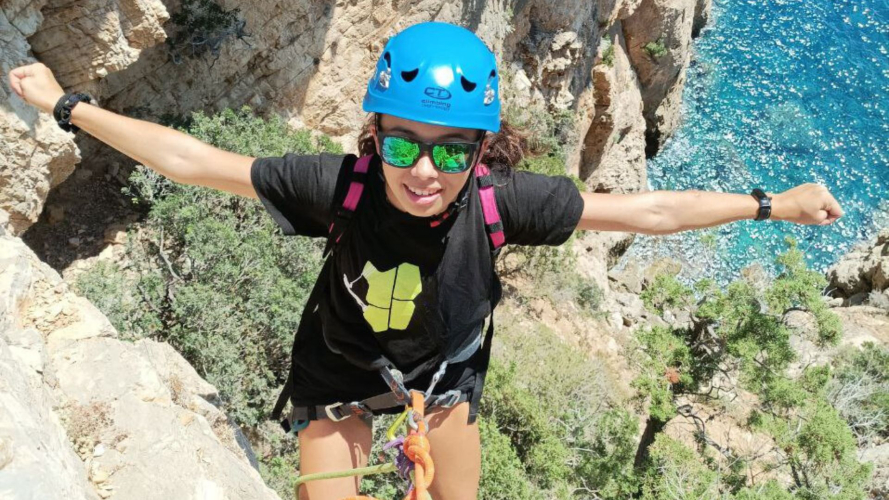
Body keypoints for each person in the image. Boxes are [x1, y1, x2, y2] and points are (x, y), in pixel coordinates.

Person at [8, 21, 843, 500]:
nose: (422, 172)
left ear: (481, 151)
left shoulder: (505, 201)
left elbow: (650, 210)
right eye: (403, 143)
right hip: (340, 372)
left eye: (451, 151)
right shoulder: (338, 186)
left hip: (444, 380)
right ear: (373, 135)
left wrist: (771, 204)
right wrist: (67, 104)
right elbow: (191, 160)